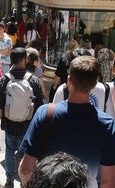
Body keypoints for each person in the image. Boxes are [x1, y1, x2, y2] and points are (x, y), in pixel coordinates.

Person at [19, 56, 115, 188]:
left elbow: (25, 170)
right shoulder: (108, 125)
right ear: (94, 84)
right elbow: (108, 182)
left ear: (68, 80)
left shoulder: (45, 113)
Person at [0, 47, 43, 187]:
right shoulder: (33, 80)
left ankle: (9, 180)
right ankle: (24, 181)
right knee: (25, 155)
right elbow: (39, 107)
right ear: (23, 60)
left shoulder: (3, 80)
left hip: (9, 125)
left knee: (9, 151)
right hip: (27, 126)